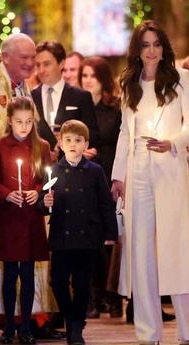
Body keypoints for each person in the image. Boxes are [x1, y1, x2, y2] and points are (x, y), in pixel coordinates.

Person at [110, 20, 189, 345]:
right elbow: (124, 132)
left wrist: (172, 143)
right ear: (138, 50)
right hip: (137, 171)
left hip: (168, 169)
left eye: (156, 44)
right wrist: (118, 175)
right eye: (145, 45)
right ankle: (148, 331)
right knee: (141, 249)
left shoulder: (180, 79)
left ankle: (186, 329)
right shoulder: (129, 84)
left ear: (164, 48)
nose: (151, 51)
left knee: (174, 246)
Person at [41, 120, 118, 345]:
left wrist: (110, 231)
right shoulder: (53, 170)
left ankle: (76, 326)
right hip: (62, 234)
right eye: (68, 140)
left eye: (78, 140)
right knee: (58, 282)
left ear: (86, 144)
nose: (73, 145)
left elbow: (105, 203)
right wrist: (44, 203)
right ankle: (71, 316)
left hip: (87, 235)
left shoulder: (95, 171)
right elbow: (43, 204)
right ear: (61, 144)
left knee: (83, 284)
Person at [0, 96, 51, 345]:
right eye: (19, 122)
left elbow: (48, 177)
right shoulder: (0, 145)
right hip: (9, 216)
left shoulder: (41, 146)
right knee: (10, 273)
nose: (24, 127)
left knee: (28, 273)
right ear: (10, 121)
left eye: (28, 122)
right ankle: (8, 326)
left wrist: (37, 190)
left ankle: (26, 325)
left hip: (30, 218)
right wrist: (5, 194)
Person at [78, 56, 123, 318]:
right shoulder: (81, 108)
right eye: (84, 76)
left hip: (108, 173)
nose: (87, 81)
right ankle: (94, 295)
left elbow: (115, 140)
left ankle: (113, 295)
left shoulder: (113, 109)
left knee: (111, 237)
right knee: (91, 239)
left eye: (92, 76)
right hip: (86, 178)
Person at [32, 40, 99, 159]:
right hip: (39, 166)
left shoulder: (81, 96)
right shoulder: (30, 97)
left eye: (46, 64)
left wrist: (71, 138)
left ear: (61, 63)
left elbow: (93, 135)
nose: (41, 70)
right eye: (38, 65)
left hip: (72, 168)